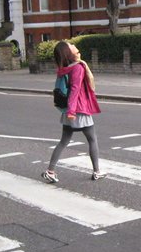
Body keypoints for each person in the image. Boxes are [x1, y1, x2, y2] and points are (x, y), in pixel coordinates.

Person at [42, 41, 103, 183]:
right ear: (69, 52)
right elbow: (75, 90)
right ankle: (97, 171)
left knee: (64, 141)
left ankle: (50, 171)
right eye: (71, 45)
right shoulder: (78, 68)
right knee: (92, 139)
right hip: (78, 109)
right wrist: (72, 111)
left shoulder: (66, 68)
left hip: (70, 109)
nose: (74, 45)